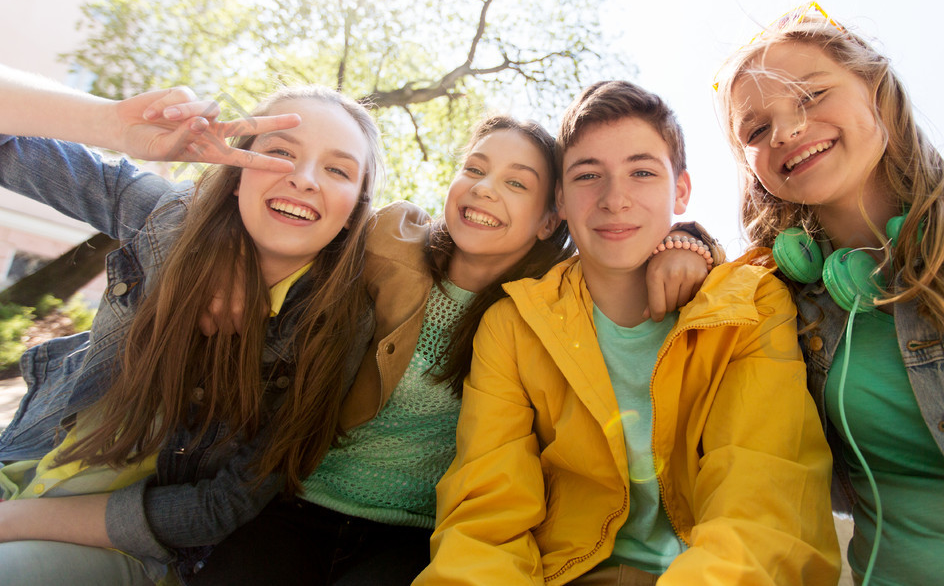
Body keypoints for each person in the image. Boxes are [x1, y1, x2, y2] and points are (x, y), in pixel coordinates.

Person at [187, 112, 717, 585]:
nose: (486, 189)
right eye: (476, 169)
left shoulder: (544, 310)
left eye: (516, 183)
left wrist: (688, 239)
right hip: (299, 503)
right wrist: (232, 254)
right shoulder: (388, 242)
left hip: (418, 536)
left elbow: (630, 246)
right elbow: (299, 224)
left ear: (550, 219)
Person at [417, 81, 840, 586]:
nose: (615, 200)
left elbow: (763, 496)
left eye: (641, 172)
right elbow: (486, 517)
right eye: (588, 175)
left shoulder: (748, 304)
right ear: (561, 200)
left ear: (680, 190)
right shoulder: (513, 325)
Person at [0, 71, 383, 585]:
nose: (305, 177)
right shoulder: (166, 217)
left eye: (338, 169)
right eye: (282, 153)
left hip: (127, 548)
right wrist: (110, 123)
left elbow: (221, 504)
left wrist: (13, 522)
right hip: (25, 465)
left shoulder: (336, 324)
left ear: (357, 204)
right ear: (235, 169)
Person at [712, 2, 944, 584]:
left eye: (810, 96)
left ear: (877, 91)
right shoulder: (783, 301)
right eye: (756, 129)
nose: (786, 131)